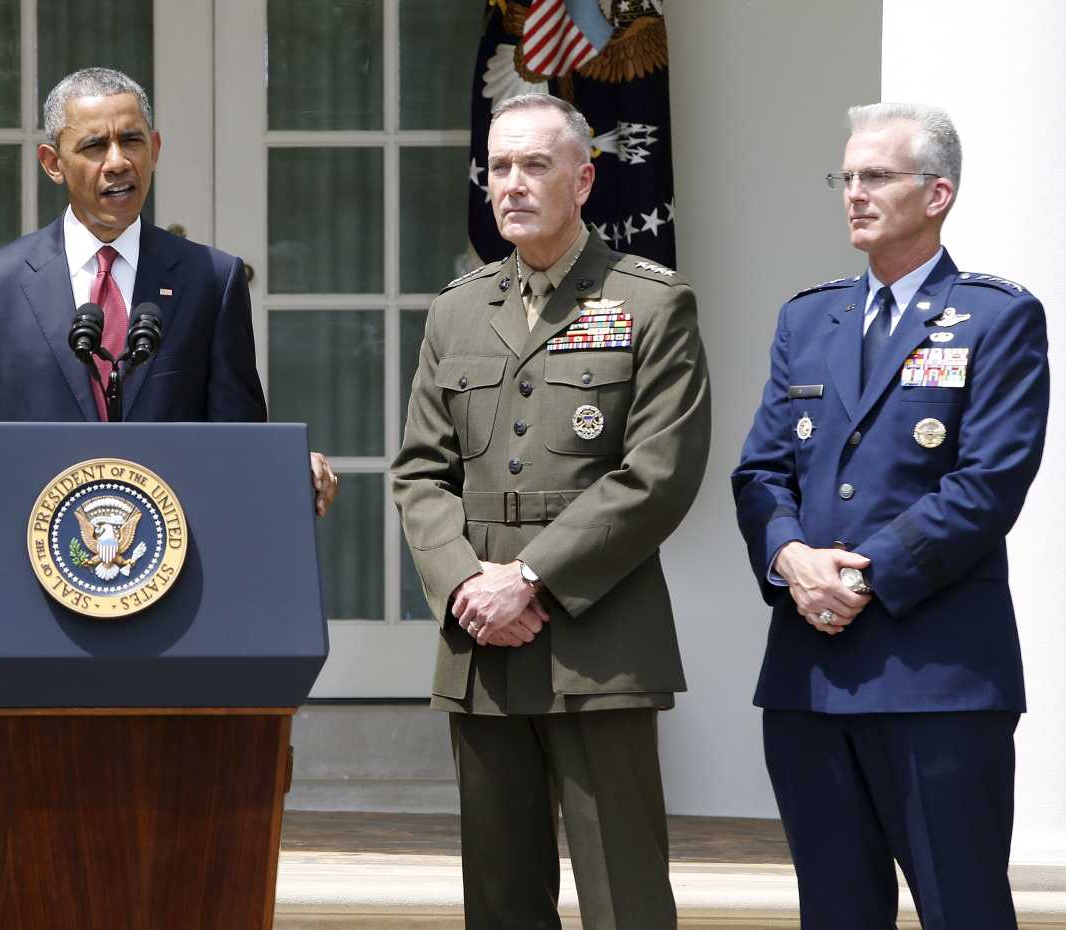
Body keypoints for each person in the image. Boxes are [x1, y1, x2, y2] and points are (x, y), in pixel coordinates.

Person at [392, 93, 710, 929]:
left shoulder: (650, 302)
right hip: (482, 648)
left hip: (601, 644)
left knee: (624, 895)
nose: (513, 185)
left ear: (584, 179)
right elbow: (420, 474)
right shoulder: (455, 310)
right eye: (499, 167)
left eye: (536, 165)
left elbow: (658, 473)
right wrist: (468, 584)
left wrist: (528, 579)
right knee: (499, 900)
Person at [731, 102, 1048, 928]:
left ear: (937, 193)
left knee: (963, 909)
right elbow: (761, 471)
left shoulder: (998, 316)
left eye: (877, 177)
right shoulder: (808, 317)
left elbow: (988, 484)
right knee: (835, 912)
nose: (854, 194)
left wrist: (860, 575)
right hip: (810, 674)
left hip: (936, 678)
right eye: (847, 177)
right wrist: (790, 559)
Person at [0, 66, 336, 513]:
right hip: (30, 556)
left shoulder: (211, 279)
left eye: (132, 141)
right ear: (53, 163)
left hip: (173, 556)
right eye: (94, 146)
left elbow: (238, 439)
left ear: (156, 149)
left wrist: (286, 466)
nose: (118, 162)